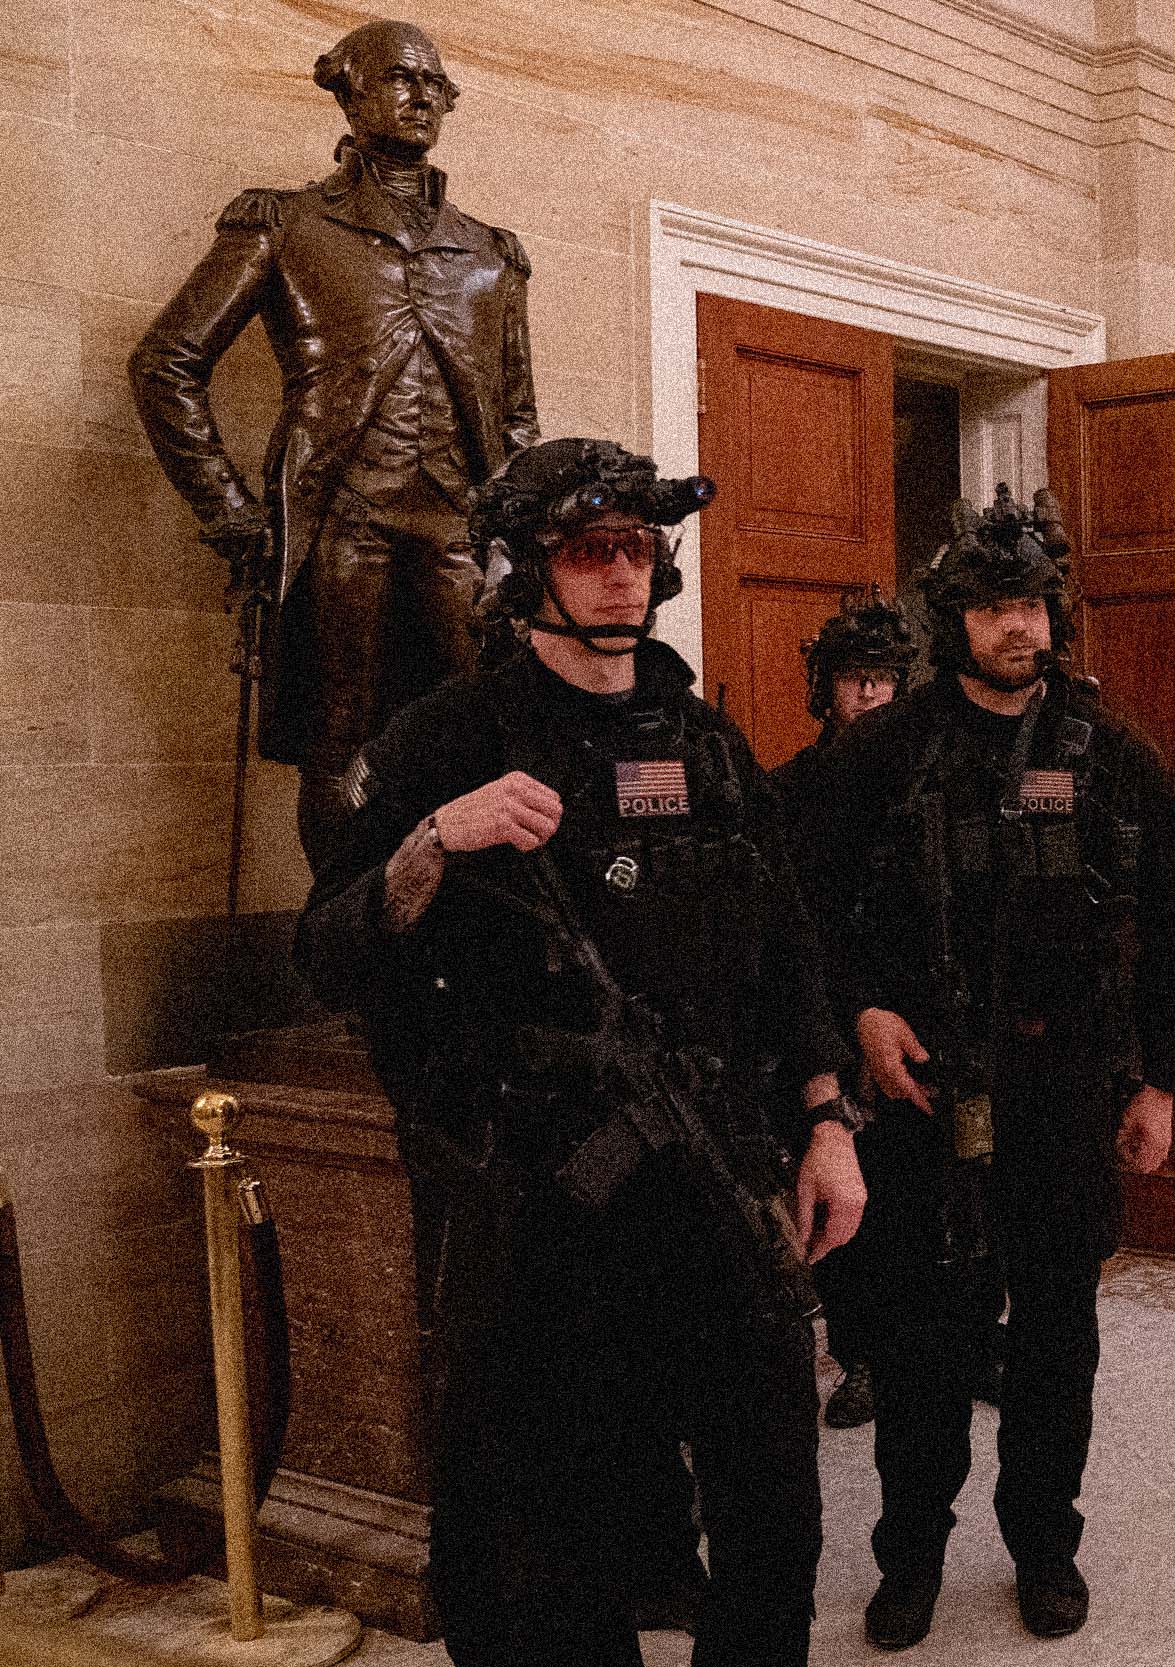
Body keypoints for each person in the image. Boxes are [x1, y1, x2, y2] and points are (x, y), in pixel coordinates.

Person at [293, 438, 865, 1667]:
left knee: (774, 1501)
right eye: (589, 549)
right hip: (539, 1207)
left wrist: (826, 1120)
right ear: (526, 570)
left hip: (715, 1171)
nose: (622, 572)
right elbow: (327, 948)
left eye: (639, 548)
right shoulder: (445, 737)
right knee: (549, 1527)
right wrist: (434, 840)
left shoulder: (702, 741)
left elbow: (789, 952)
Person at [782, 486, 1175, 1651]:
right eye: (993, 605)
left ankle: (1045, 1547)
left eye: (1032, 603)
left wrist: (1157, 1079)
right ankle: (909, 1554)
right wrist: (859, 1014)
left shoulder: (1112, 752)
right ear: (952, 617)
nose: (1019, 626)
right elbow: (803, 919)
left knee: (1057, 1340)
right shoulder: (880, 754)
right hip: (923, 1101)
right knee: (920, 1350)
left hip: (1065, 1094)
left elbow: (1171, 924)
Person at [128, 19, 538, 864]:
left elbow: (519, 417)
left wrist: (523, 539)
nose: (421, 94)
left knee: (485, 728)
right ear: (347, 91)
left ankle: (472, 934)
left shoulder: (491, 254)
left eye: (434, 82)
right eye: (397, 76)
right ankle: (353, 932)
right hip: (343, 524)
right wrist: (233, 513)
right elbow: (165, 362)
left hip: (461, 529)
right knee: (340, 736)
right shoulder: (284, 224)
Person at [774, 590, 920, 1430]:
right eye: (853, 680)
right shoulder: (791, 790)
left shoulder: (928, 784)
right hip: (828, 1014)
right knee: (846, 1200)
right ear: (826, 687)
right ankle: (859, 1356)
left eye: (883, 679)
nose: (868, 696)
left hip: (914, 1013)